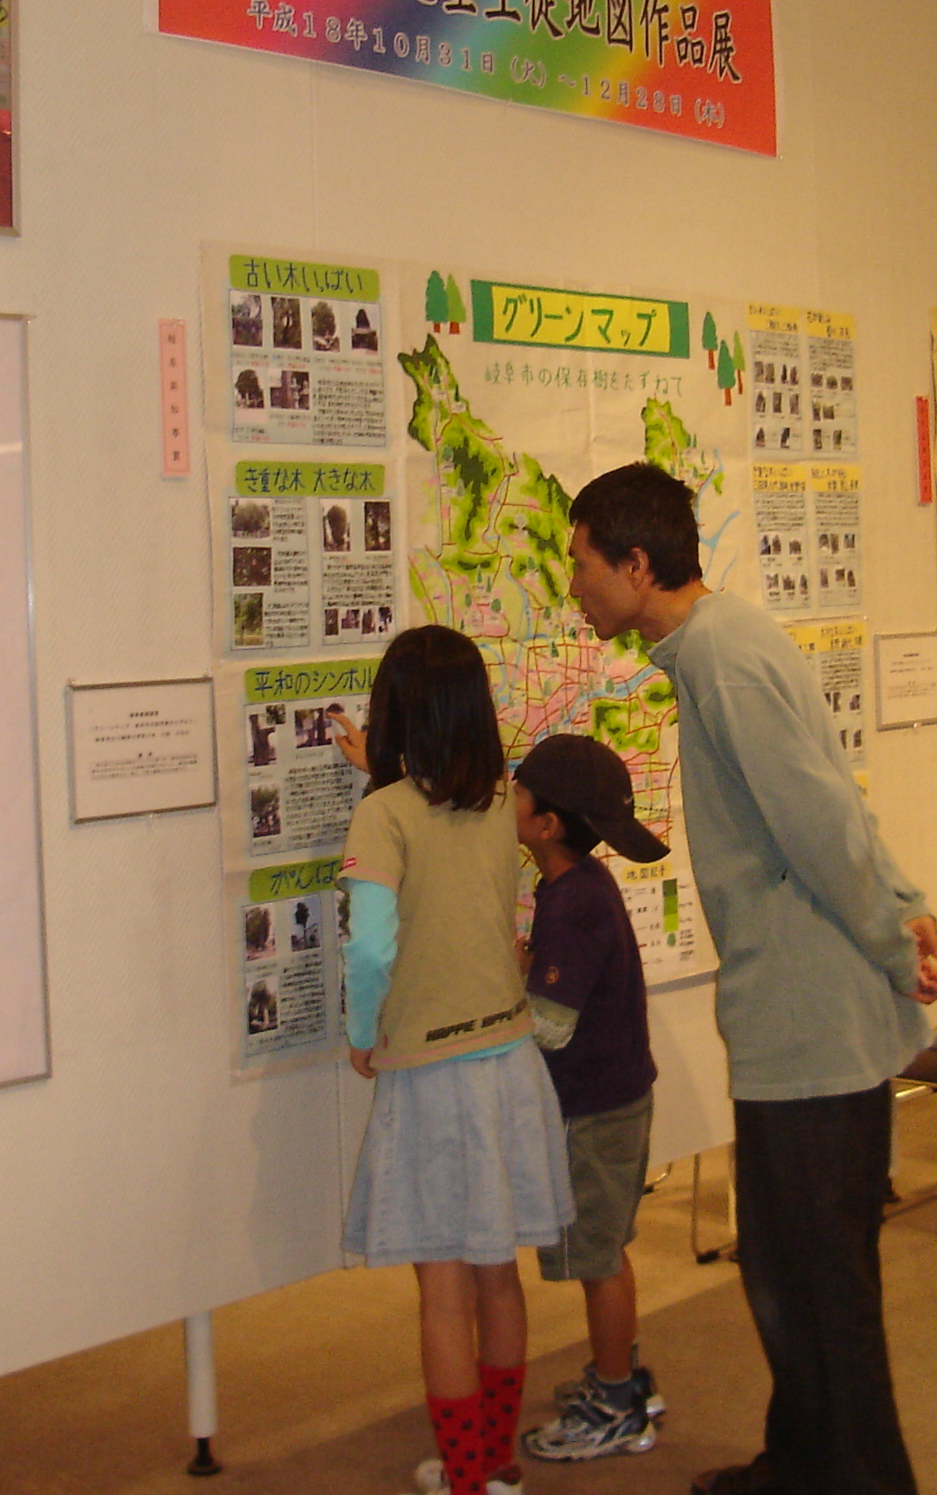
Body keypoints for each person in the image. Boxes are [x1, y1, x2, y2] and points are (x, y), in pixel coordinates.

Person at [565, 462, 937, 1495]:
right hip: (797, 1010)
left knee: (818, 1278)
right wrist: (904, 905)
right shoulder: (717, 646)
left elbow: (817, 823)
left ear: (636, 564)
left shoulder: (724, 658)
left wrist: (892, 937)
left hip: (812, 1016)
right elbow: (833, 796)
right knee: (787, 1265)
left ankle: (858, 1477)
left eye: (583, 563)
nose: (575, 586)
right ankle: (805, 1459)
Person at [328, 628, 574, 1495]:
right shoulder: (502, 800)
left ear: (392, 710)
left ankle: (464, 1477)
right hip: (510, 1060)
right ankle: (494, 1463)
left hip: (432, 1073)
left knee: (441, 1289)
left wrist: (364, 1033)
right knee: (496, 1276)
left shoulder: (384, 814)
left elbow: (371, 947)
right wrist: (378, 770)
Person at [511, 734, 671, 1464]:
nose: (507, 800)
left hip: (592, 1111)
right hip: (612, 1098)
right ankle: (622, 1380)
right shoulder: (579, 883)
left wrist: (506, 983)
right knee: (606, 1249)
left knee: (597, 1257)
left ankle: (615, 1405)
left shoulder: (573, 903)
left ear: (546, 824)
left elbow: (549, 1027)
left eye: (519, 793)